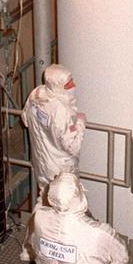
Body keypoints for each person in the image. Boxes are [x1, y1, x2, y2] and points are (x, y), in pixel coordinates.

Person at [21, 64, 87, 195]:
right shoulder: (61, 111)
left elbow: (25, 119)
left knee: (45, 197)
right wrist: (80, 123)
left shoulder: (36, 94)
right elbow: (73, 147)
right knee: (65, 200)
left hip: (41, 163)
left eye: (72, 81)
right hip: (62, 171)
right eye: (68, 84)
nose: (73, 85)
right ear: (57, 86)